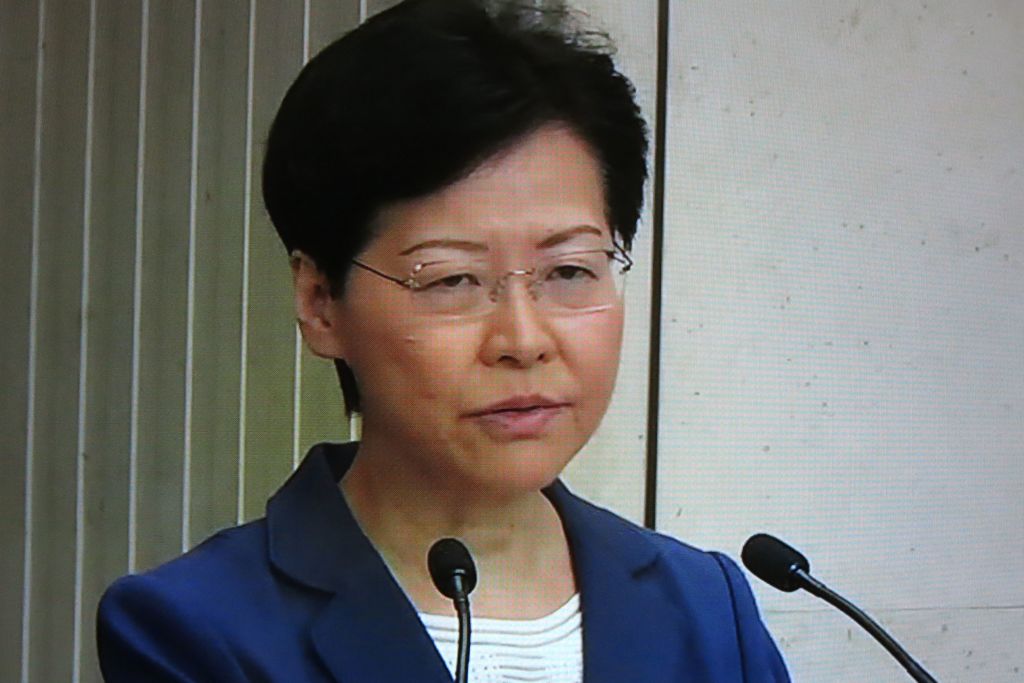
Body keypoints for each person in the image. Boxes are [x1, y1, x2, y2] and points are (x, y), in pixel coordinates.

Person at [97, 1, 790, 680]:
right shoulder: (197, 631)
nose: (524, 340)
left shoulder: (707, 607)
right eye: (452, 279)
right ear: (321, 302)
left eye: (570, 270)